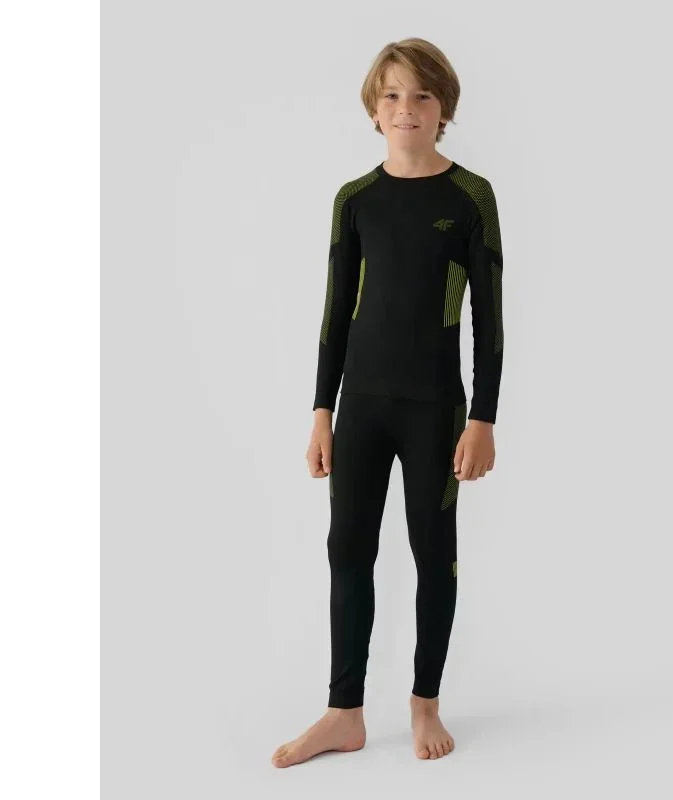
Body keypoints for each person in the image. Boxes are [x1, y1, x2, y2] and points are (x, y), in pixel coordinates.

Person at [272, 37, 504, 768]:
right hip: (361, 407)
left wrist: (483, 417)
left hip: (436, 409)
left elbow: (489, 321)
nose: (407, 108)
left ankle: (424, 703)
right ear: (375, 110)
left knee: (434, 553)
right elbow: (334, 313)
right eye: (393, 95)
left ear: (444, 110)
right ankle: (344, 712)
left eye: (422, 95)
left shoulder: (470, 197)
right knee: (348, 550)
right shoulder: (355, 200)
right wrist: (321, 411)